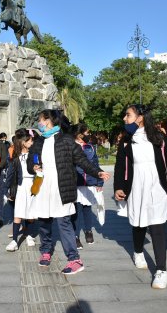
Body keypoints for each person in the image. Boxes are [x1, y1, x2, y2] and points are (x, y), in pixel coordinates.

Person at [113, 104, 167, 289]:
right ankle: (138, 251)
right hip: (136, 186)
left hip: (157, 187)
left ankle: (162, 271)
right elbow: (120, 166)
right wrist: (118, 187)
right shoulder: (126, 140)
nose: (125, 118)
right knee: (139, 223)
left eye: (128, 115)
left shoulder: (159, 138)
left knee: (157, 225)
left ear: (140, 118)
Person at [28, 110, 110, 275]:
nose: (39, 123)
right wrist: (33, 167)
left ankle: (74, 259)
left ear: (50, 121)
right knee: (44, 222)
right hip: (43, 186)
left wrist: (98, 172)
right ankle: (45, 250)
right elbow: (31, 160)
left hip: (62, 187)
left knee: (64, 222)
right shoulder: (39, 142)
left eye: (41, 120)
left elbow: (81, 160)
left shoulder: (66, 140)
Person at [69, 123, 104, 249]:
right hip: (75, 183)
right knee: (75, 210)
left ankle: (88, 231)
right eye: (87, 133)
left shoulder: (90, 147)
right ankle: (75, 236)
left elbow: (95, 164)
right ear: (80, 134)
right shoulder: (70, 146)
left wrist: (99, 181)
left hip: (89, 182)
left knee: (87, 208)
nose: (89, 135)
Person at [5, 129, 38, 251]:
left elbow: (38, 168)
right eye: (30, 140)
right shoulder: (16, 157)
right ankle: (14, 240)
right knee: (18, 213)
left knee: (31, 214)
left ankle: (28, 234)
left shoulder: (34, 155)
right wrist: (6, 190)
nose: (32, 142)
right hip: (21, 186)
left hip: (33, 185)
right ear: (23, 142)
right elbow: (10, 175)